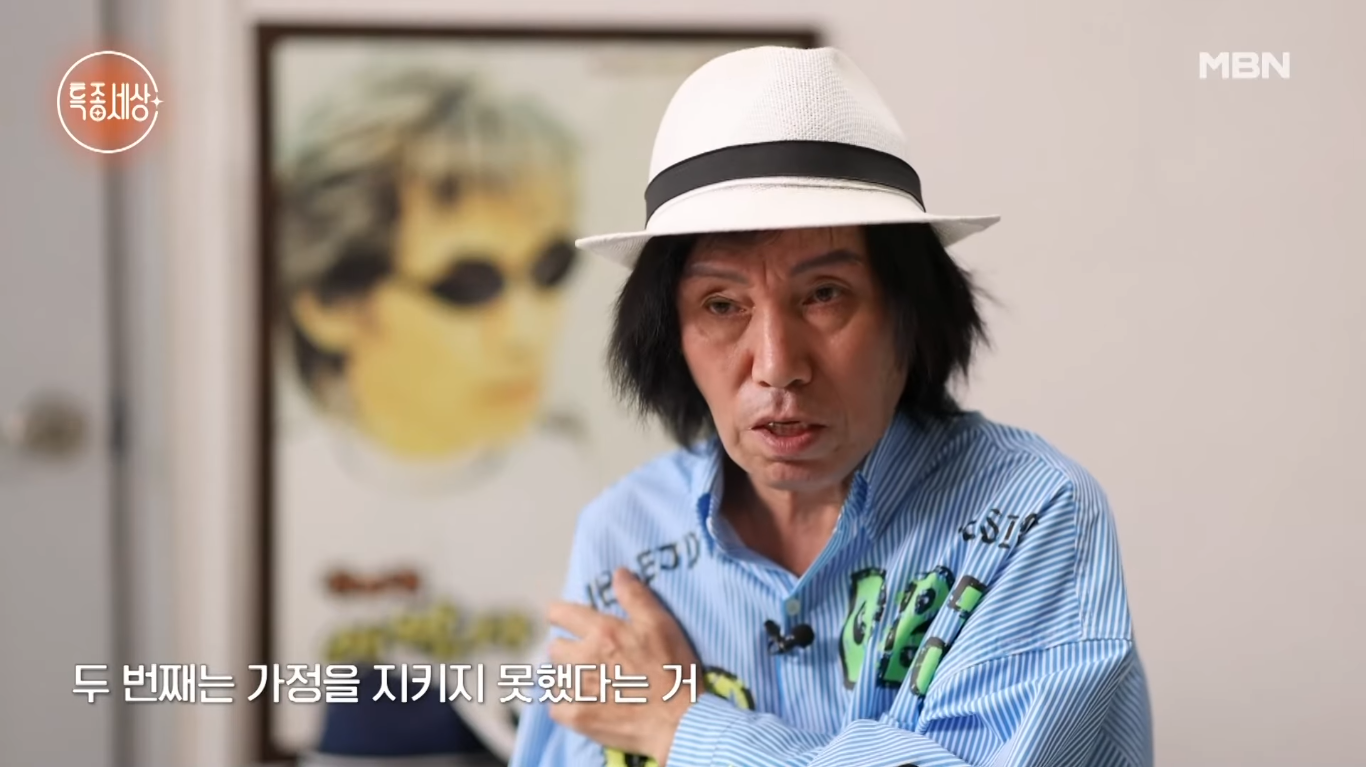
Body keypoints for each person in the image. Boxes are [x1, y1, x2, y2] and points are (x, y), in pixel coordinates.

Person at [509, 46, 1153, 767]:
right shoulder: (626, 534)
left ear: (909, 315)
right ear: (670, 334)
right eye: (721, 304)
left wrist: (683, 728)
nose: (777, 365)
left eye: (824, 295)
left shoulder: (1033, 516)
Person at [273, 68, 604, 763]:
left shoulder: (603, 491)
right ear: (330, 303)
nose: (528, 331)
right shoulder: (269, 503)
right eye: (468, 284)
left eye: (550, 269)